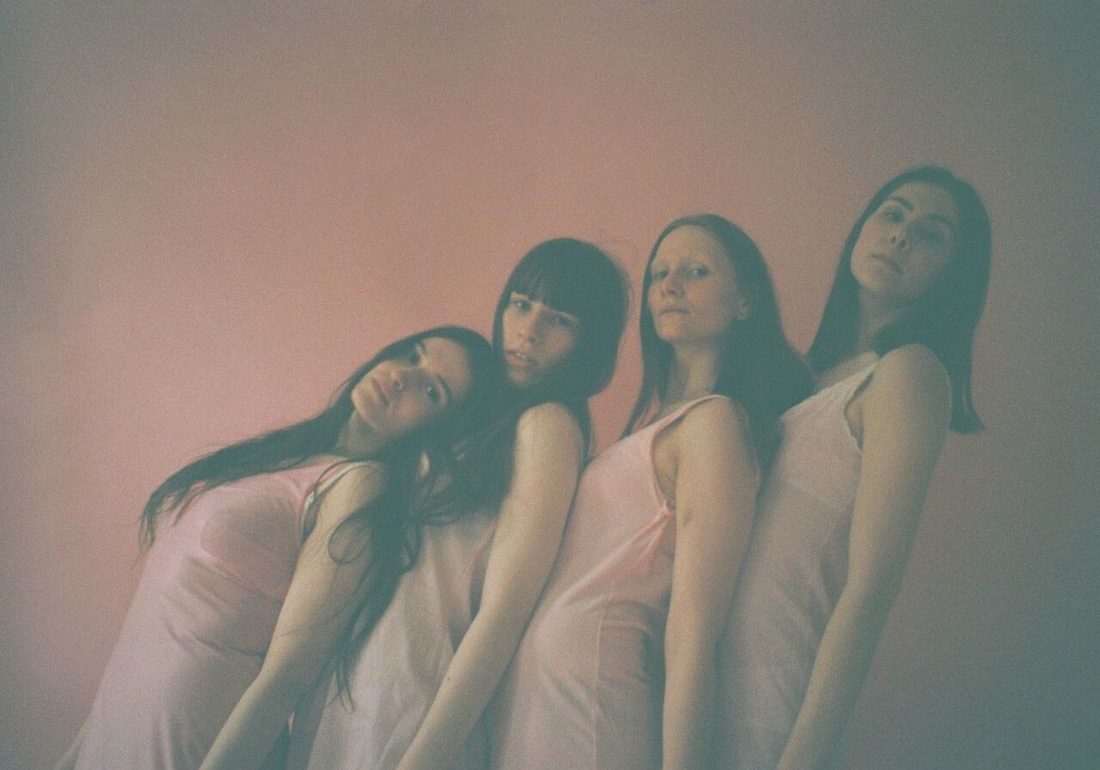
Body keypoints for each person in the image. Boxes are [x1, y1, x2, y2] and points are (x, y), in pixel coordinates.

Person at [55, 325, 497, 770]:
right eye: (412, 355)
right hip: (111, 740)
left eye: (432, 392)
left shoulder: (358, 486)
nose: (402, 376)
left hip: (189, 747)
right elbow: (142, 635)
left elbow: (286, 677)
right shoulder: (286, 455)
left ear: (441, 432)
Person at [287, 238, 629, 770]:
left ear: (591, 343)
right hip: (358, 683)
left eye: (559, 320)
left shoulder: (549, 425)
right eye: (521, 304)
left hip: (409, 702)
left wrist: (422, 757)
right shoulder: (488, 417)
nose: (528, 330)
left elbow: (503, 612)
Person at [490, 215, 812, 770]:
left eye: (696, 271)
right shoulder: (655, 425)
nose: (669, 285)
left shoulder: (715, 423)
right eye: (660, 273)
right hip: (546, 695)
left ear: (744, 301)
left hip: (594, 700)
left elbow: (693, 633)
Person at [717, 165, 992, 769]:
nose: (900, 236)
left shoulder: (910, 372)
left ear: (953, 276)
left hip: (775, 696)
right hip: (706, 683)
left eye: (930, 234)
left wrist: (803, 757)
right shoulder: (805, 378)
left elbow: (872, 587)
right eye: (892, 214)